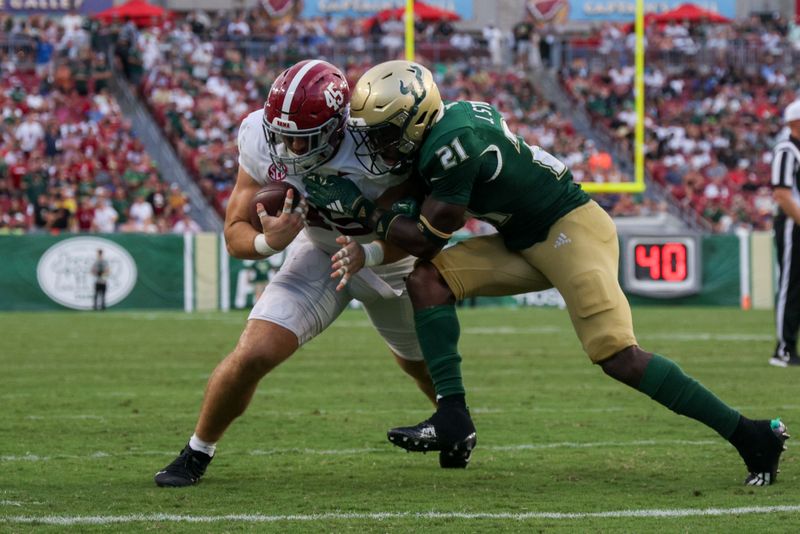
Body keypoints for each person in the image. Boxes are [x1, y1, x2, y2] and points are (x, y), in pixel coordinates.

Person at [303, 60, 790, 485]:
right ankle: (452, 417)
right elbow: (411, 202)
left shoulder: (453, 145)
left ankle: (751, 434)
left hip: (569, 231)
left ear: (416, 120)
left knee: (617, 355)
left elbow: (428, 235)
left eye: (386, 134)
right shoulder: (441, 130)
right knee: (427, 280)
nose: (380, 146)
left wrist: (367, 214)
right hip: (523, 237)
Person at [154, 60, 436, 488]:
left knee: (420, 366)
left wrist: (370, 242)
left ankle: (455, 425)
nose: (290, 150)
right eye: (283, 136)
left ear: (341, 126)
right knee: (254, 353)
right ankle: (197, 450)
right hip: (321, 251)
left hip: (389, 261)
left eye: (304, 139)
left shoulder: (382, 140)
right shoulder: (258, 137)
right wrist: (271, 241)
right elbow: (234, 235)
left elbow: (423, 231)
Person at [770, 99, 800, 367]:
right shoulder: (788, 150)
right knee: (791, 285)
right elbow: (781, 194)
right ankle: (784, 348)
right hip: (793, 224)